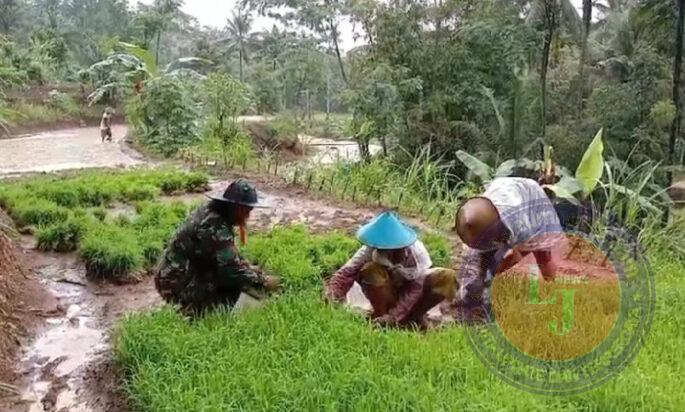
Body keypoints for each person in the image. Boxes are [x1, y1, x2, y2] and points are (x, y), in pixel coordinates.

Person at [155, 179, 280, 315]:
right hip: (175, 282)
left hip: (177, 273)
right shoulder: (215, 226)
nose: (248, 216)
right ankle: (197, 315)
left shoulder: (213, 212)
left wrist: (248, 268)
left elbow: (228, 253)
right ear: (236, 208)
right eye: (247, 210)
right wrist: (263, 281)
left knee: (243, 274)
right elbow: (231, 270)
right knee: (233, 286)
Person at [451, 177, 563, 323]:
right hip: (503, 196)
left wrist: (492, 274)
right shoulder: (477, 213)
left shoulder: (519, 224)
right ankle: (470, 304)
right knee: (478, 262)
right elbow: (475, 253)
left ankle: (554, 292)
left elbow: (516, 256)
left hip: (530, 200)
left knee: (542, 253)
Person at [325, 211, 458, 329]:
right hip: (388, 293)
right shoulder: (371, 250)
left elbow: (415, 290)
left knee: (447, 277)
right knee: (370, 270)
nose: (386, 251)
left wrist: (394, 317)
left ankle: (414, 317)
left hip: (414, 297)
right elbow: (346, 272)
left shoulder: (417, 254)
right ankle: (380, 316)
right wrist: (332, 295)